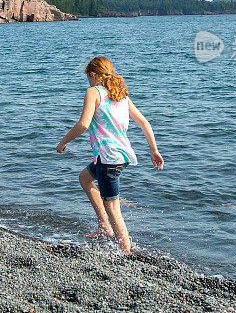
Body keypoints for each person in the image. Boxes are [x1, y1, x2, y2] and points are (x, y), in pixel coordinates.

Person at [56, 56, 163, 252]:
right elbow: (145, 123)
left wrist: (64, 141)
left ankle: (125, 251)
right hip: (120, 157)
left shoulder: (93, 92)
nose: (87, 81)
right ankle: (104, 226)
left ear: (93, 75)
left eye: (88, 77)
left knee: (113, 208)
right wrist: (154, 150)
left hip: (108, 159)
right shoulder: (120, 95)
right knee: (85, 178)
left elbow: (83, 124)